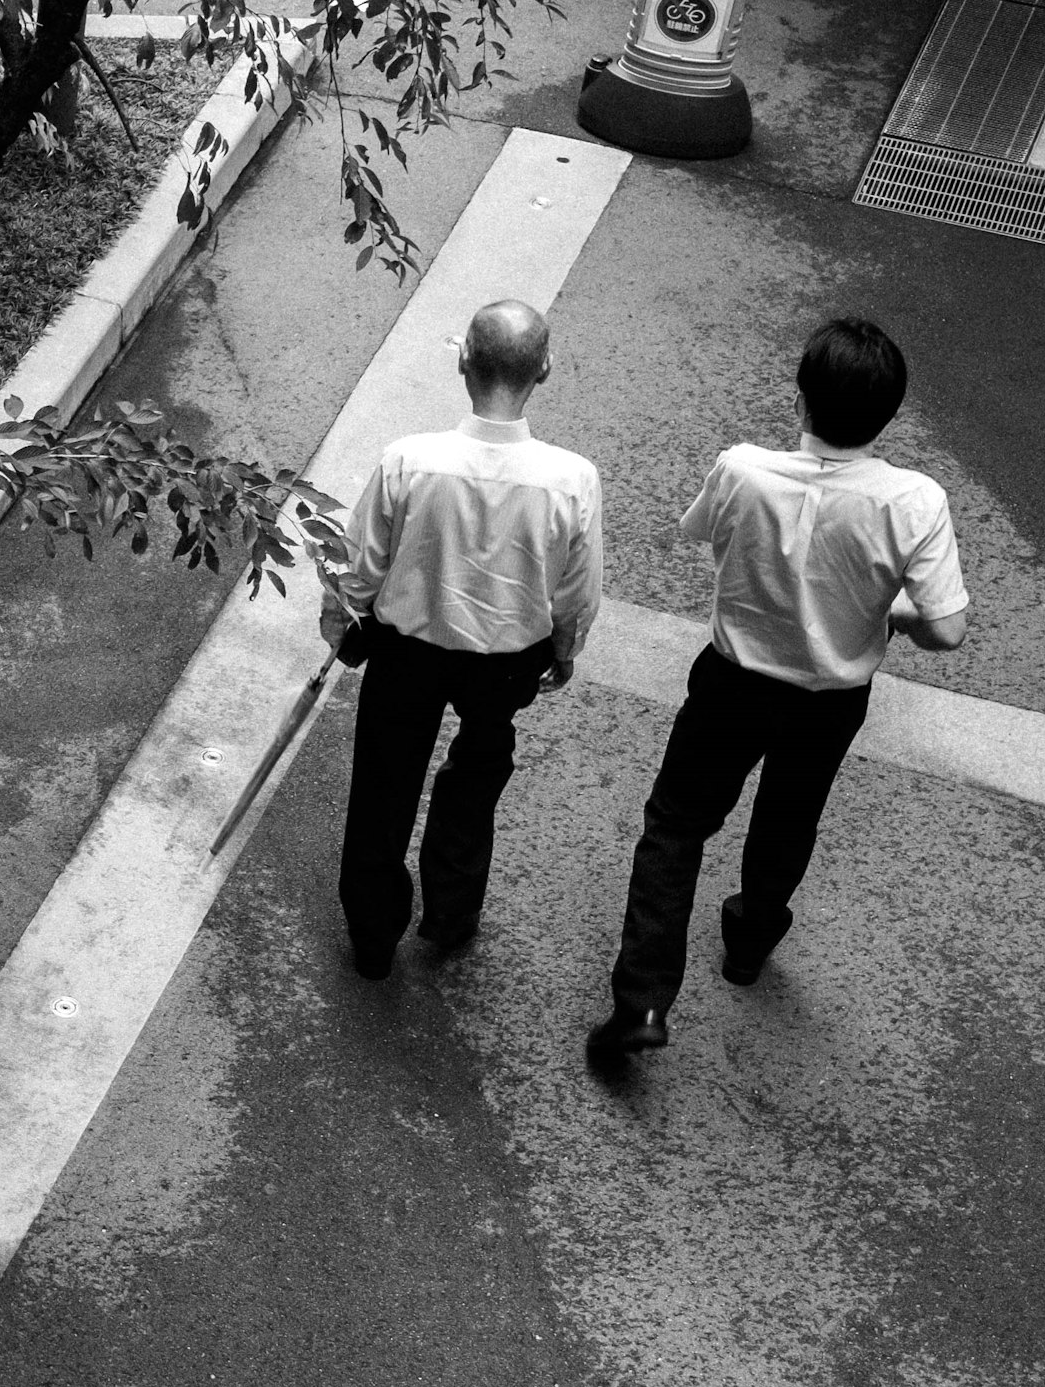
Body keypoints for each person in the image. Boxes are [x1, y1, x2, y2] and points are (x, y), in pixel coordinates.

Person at [589, 318, 967, 1065]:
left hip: (731, 680)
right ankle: (749, 940)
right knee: (789, 817)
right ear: (890, 416)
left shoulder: (741, 469)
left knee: (676, 826)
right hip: (829, 700)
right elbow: (947, 629)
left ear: (800, 400)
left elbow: (694, 531)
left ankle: (643, 1000)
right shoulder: (914, 501)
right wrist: (888, 611)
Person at [322, 298, 606, 977]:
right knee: (477, 778)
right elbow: (576, 591)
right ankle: (450, 912)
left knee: (383, 789)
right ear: (546, 368)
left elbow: (359, 564)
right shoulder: (572, 480)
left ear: (461, 362)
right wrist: (564, 652)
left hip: (407, 654)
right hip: (506, 664)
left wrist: (343, 626)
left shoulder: (407, 460)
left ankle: (372, 932)